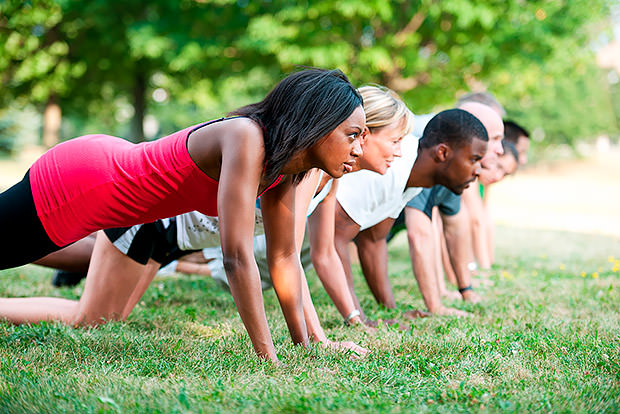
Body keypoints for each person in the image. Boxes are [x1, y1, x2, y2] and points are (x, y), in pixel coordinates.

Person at [0, 68, 366, 364]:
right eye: (352, 135)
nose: (359, 148)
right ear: (317, 124)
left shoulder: (285, 172)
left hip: (108, 201)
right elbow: (237, 258)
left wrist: (305, 346)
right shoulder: (247, 137)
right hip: (83, 182)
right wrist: (267, 359)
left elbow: (284, 260)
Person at [328, 108, 489, 324]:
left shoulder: (413, 176)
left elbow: (373, 240)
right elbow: (334, 240)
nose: (479, 170)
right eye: (474, 159)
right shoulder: (390, 167)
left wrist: (390, 309)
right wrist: (358, 319)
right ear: (442, 153)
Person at [385, 95, 506, 316]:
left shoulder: (459, 164)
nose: (500, 150)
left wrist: (465, 289)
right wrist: (435, 307)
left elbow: (455, 226)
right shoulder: (429, 152)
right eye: (496, 139)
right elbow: (420, 233)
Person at [462, 140, 519, 269]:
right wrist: (485, 267)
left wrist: (490, 259)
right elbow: (477, 222)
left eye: (505, 174)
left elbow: (486, 219)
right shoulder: (470, 178)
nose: (498, 177)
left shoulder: (483, 184)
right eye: (498, 167)